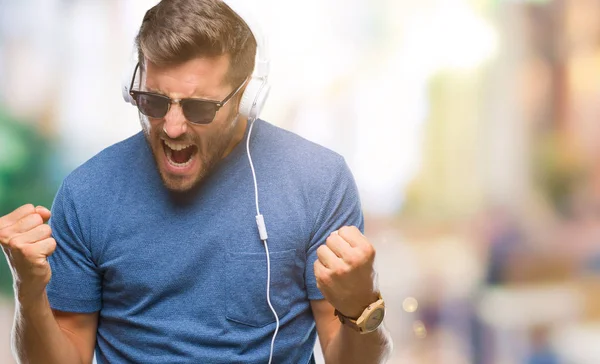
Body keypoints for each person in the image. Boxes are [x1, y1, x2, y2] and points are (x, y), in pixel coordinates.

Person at [0, 0, 392, 363]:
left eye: (199, 107)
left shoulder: (318, 181)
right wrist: (29, 291)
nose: (171, 127)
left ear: (247, 97)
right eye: (153, 101)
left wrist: (361, 305)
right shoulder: (86, 194)